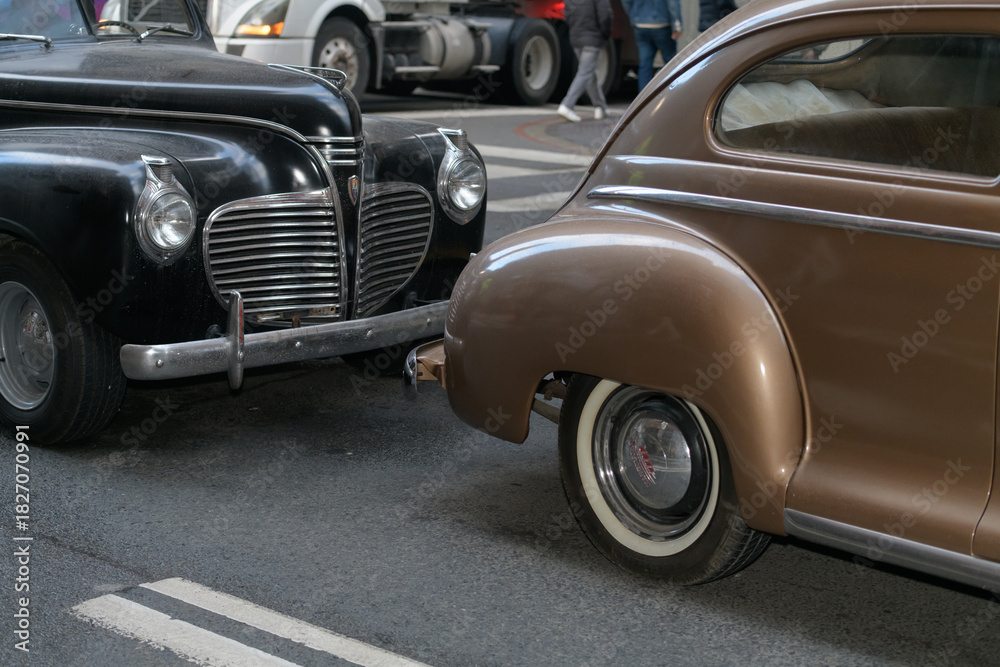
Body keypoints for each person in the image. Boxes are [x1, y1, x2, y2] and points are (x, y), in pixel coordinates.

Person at [557, 0, 612, 123]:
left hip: (576, 38)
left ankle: (600, 107)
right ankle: (567, 105)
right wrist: (605, 35)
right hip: (593, 39)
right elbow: (605, 16)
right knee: (585, 73)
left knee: (590, 73)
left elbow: (567, 16)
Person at [621, 0, 682, 91]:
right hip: (662, 23)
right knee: (670, 64)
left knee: (645, 65)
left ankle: (643, 101)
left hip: (640, 24)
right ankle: (673, 95)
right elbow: (673, 3)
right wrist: (676, 25)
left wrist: (634, 16)